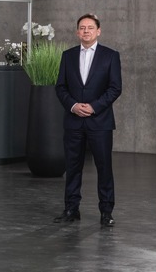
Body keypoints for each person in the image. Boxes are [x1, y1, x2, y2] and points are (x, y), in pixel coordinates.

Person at [54, 13, 122, 227]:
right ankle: (71, 208)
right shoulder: (68, 55)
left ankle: (106, 211)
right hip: (73, 121)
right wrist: (73, 105)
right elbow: (61, 87)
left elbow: (115, 88)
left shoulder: (110, 56)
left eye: (90, 28)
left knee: (104, 167)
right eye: (82, 28)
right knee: (72, 167)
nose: (86, 31)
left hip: (100, 122)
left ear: (98, 31)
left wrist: (94, 107)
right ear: (77, 32)